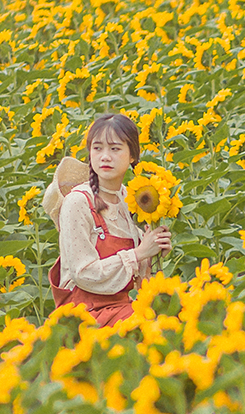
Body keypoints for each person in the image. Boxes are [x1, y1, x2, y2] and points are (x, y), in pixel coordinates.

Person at [42, 113, 172, 326]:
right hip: (84, 314)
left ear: (132, 155)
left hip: (121, 307)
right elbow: (83, 273)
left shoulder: (127, 199)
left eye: (114, 148)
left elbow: (139, 281)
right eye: (98, 148)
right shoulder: (78, 202)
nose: (105, 156)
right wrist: (139, 252)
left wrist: (154, 250)